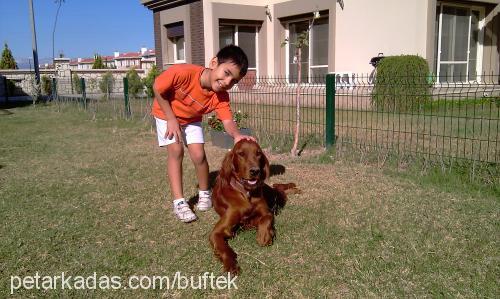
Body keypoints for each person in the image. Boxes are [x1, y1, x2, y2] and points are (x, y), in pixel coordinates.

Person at [152, 45, 254, 223]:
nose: (227, 82)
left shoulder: (220, 96)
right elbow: (157, 88)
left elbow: (228, 121)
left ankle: (205, 193)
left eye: (234, 81)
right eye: (227, 73)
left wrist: (237, 136)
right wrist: (171, 119)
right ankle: (179, 202)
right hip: (165, 114)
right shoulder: (183, 73)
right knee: (176, 151)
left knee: (199, 155)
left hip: (191, 119)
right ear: (214, 62)